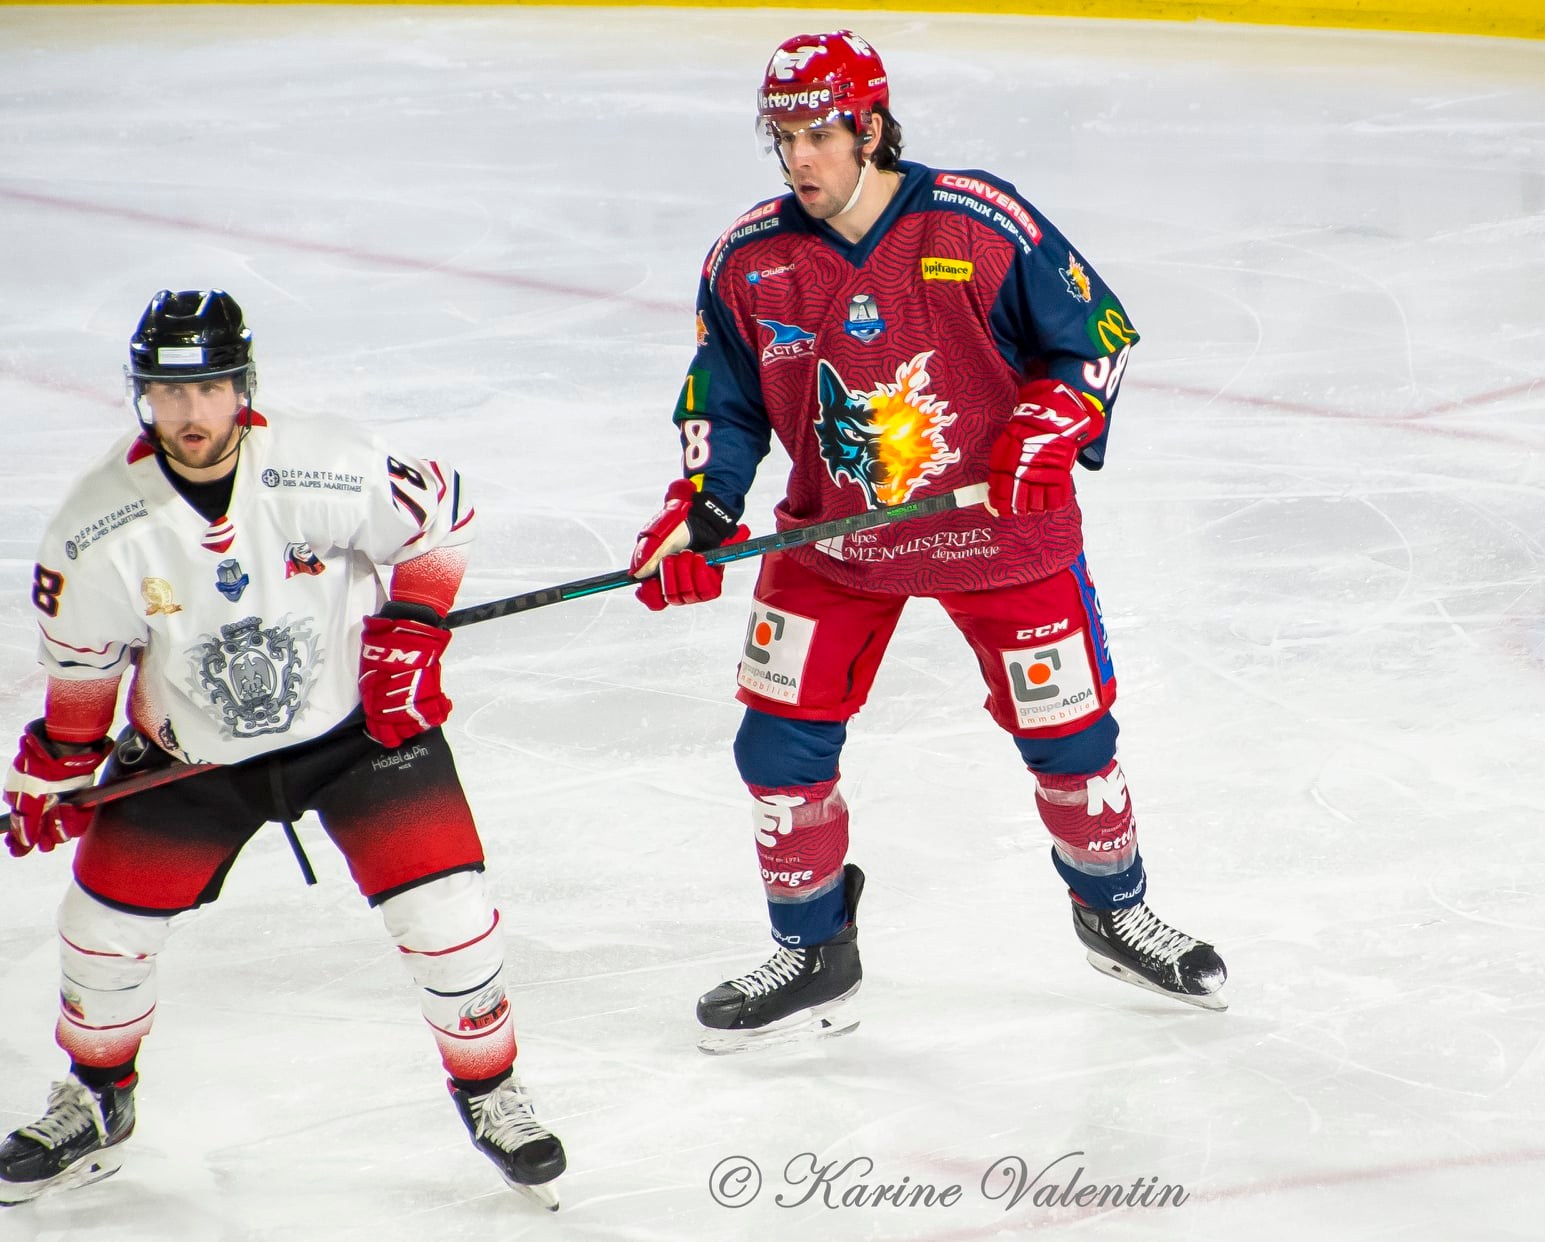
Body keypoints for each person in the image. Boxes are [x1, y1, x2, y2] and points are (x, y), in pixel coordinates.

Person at [627, 30, 1227, 1053]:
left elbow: (1099, 338)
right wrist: (704, 508)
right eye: (783, 138)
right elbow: (724, 403)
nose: (800, 159)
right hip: (835, 543)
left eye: (820, 133)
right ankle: (814, 951)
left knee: (1072, 743)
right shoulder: (749, 261)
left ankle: (1113, 911)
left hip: (998, 533)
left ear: (869, 127)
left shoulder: (974, 220)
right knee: (774, 746)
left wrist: (1050, 420)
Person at [0, 291, 566, 1208]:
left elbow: (442, 515)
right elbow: (84, 671)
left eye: (210, 390)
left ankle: (492, 1091)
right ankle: (99, 1101)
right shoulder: (95, 526)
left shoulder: (323, 464)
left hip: (355, 736)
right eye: (169, 394)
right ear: (144, 397)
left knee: (448, 920)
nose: (191, 415)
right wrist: (57, 767)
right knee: (101, 936)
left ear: (242, 387)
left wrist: (413, 627)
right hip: (191, 758)